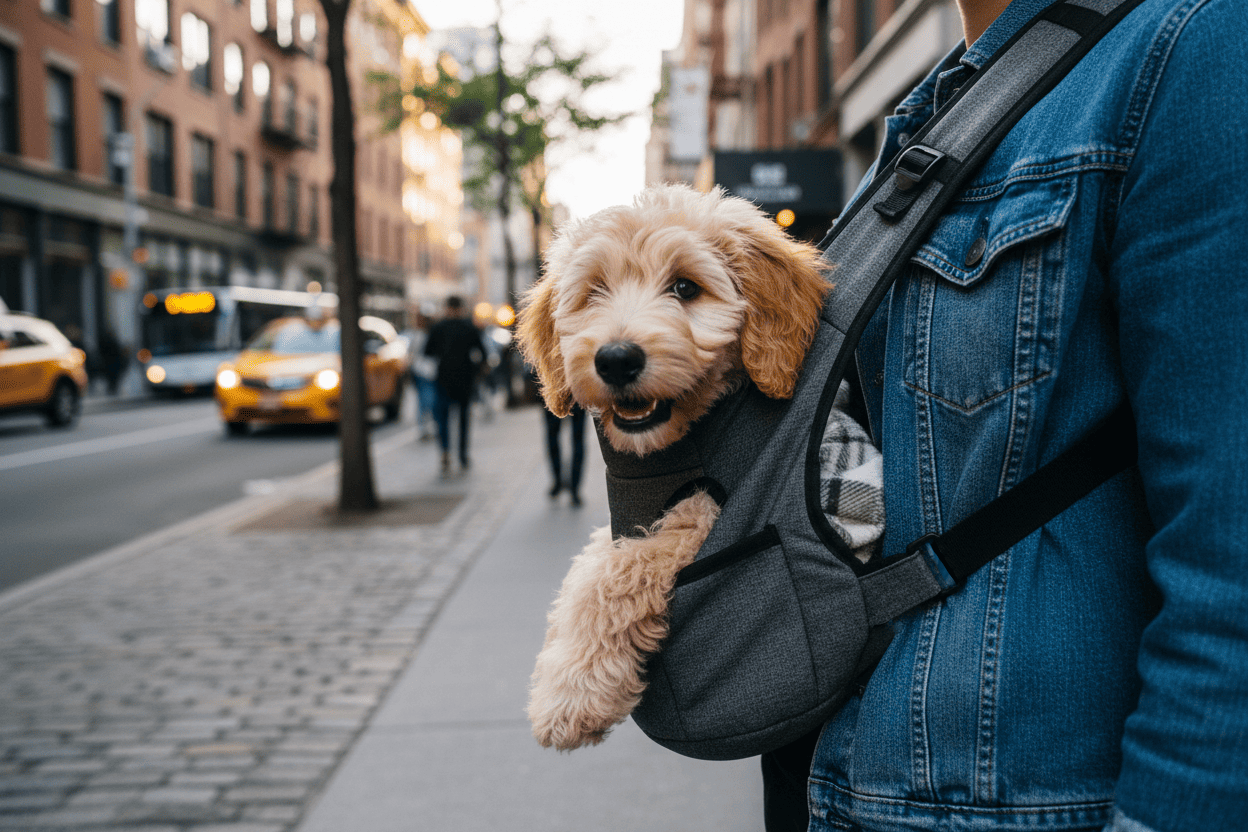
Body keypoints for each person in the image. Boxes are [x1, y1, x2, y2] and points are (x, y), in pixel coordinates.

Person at [775, 1, 1248, 832]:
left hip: (1035, 804)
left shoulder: (1193, 46)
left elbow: (1230, 557)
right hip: (863, 790)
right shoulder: (941, 102)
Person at [424, 295, 484, 472]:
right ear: (461, 308)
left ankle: (445, 451)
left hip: (443, 380)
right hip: (465, 379)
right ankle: (463, 455)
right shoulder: (469, 327)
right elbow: (482, 353)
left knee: (443, 418)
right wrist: (476, 372)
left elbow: (428, 353)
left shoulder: (437, 328)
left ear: (447, 308)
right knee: (464, 419)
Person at [404, 313, 438, 441]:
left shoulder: (418, 335)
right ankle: (425, 428)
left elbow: (410, 355)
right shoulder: (417, 335)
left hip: (426, 371)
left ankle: (425, 428)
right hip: (424, 372)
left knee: (425, 401)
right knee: (427, 401)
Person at [544, 403, 586, 506]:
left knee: (553, 436)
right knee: (577, 439)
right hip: (575, 392)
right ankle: (573, 487)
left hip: (555, 390)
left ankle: (560, 482)